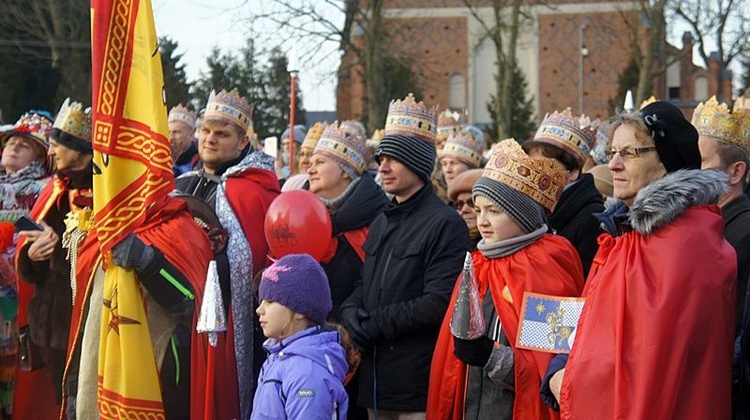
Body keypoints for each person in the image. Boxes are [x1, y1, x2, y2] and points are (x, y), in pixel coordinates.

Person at [542, 101, 736, 419]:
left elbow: (651, 364)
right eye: (612, 153)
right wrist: (562, 367)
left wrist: (565, 379)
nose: (614, 165)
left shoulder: (684, 245)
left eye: (629, 153)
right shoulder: (629, 236)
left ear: (666, 160)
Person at [428, 139, 584, 419]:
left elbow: (550, 373)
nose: (483, 221)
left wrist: (488, 355)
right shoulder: (479, 264)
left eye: (494, 211)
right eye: (479, 210)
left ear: (523, 215)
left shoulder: (545, 268)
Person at [340, 93, 470, 419]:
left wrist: (374, 324)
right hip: (375, 379)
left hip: (415, 383)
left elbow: (438, 302)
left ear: (417, 163)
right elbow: (366, 280)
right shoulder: (384, 218)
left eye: (393, 159)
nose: (382, 167)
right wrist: (351, 310)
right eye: (381, 158)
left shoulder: (445, 223)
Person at [175, 89, 280, 419]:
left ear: (242, 142)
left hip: (233, 326)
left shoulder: (254, 190)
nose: (210, 139)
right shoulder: (184, 183)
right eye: (205, 131)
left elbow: (258, 261)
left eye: (222, 134)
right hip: (177, 318)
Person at [13, 100, 92, 417]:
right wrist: (32, 254)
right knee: (57, 402)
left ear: (83, 154)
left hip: (83, 325)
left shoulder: (102, 194)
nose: (52, 150)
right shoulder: (55, 188)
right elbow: (30, 266)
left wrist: (63, 248)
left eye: (59, 144)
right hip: (48, 325)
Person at [691, 95, 750, 419]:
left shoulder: (744, 233)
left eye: (700, 163)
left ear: (735, 171)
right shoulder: (703, 225)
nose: (690, 173)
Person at [0, 110, 52, 417]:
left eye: (25, 144)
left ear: (38, 156)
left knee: (16, 368)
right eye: (11, 142)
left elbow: (40, 238)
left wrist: (11, 244)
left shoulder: (45, 190)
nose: (14, 148)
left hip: (18, 296)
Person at [252, 254, 349, 419]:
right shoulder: (277, 358)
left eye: (269, 301)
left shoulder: (307, 373)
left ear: (300, 311)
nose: (259, 310)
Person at [307, 121, 388, 318]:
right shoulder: (304, 215)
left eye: (320, 163)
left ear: (345, 171)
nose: (310, 170)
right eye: (310, 163)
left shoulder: (378, 220)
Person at [523, 109, 604, 276]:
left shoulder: (592, 218)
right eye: (532, 165)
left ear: (573, 172)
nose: (537, 173)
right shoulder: (529, 207)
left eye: (546, 165)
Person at [446, 169, 483, 250]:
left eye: (472, 202)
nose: (464, 210)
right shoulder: (448, 240)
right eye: (459, 204)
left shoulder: (496, 244)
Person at [168, 104, 199, 176]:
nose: (171, 137)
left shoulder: (200, 161)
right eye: (168, 132)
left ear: (191, 134)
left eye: (176, 132)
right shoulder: (161, 158)